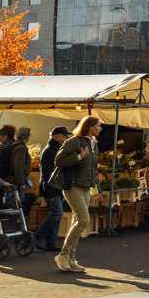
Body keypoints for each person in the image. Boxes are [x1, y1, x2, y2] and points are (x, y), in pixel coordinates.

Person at [54, 116, 101, 274]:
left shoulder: (94, 143)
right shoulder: (74, 141)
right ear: (89, 127)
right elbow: (59, 160)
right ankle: (63, 255)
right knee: (84, 220)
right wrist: (79, 157)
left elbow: (93, 168)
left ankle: (71, 259)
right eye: (98, 126)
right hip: (72, 186)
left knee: (78, 221)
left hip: (86, 187)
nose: (100, 128)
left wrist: (96, 187)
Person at [34, 127, 70, 252]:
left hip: (54, 186)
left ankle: (51, 243)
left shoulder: (54, 149)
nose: (66, 138)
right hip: (51, 187)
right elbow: (51, 172)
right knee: (57, 213)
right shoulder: (51, 150)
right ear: (57, 136)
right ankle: (39, 235)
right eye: (65, 136)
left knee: (57, 214)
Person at [0, 125, 17, 206]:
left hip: (0, 176)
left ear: (6, 136)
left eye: (0, 136)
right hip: (8, 178)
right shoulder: (15, 145)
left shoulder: (4, 147)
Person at [10, 127, 34, 216]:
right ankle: (15, 226)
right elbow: (18, 166)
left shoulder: (16, 145)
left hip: (14, 181)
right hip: (17, 182)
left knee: (14, 205)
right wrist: (21, 182)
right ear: (26, 137)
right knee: (17, 205)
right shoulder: (21, 148)